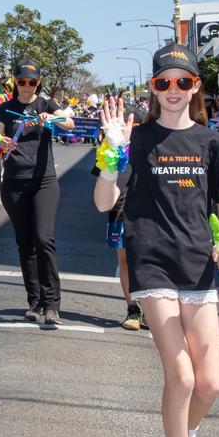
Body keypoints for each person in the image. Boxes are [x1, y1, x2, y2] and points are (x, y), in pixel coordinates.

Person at [94, 43, 219, 437]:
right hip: (151, 264)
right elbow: (102, 201)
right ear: (152, 88)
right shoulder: (135, 139)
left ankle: (183, 432)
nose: (173, 90)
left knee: (211, 384)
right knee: (181, 378)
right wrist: (112, 151)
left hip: (199, 268)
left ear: (196, 86)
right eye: (163, 82)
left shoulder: (213, 143)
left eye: (183, 82)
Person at [0, 60, 74, 326]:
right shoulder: (4, 109)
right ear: (14, 81)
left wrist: (53, 117)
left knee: (44, 239)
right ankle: (34, 303)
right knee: (25, 244)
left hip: (44, 182)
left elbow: (69, 123)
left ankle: (52, 305)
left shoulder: (46, 104)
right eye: (22, 81)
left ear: (39, 82)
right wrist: (0, 141)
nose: (27, 86)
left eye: (33, 82)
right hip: (14, 183)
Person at [90, 98, 146, 330]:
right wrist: (113, 150)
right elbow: (102, 185)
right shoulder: (111, 148)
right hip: (120, 211)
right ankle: (132, 309)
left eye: (132, 127)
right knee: (125, 260)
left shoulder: (148, 149)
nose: (126, 131)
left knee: (146, 262)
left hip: (146, 214)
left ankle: (151, 309)